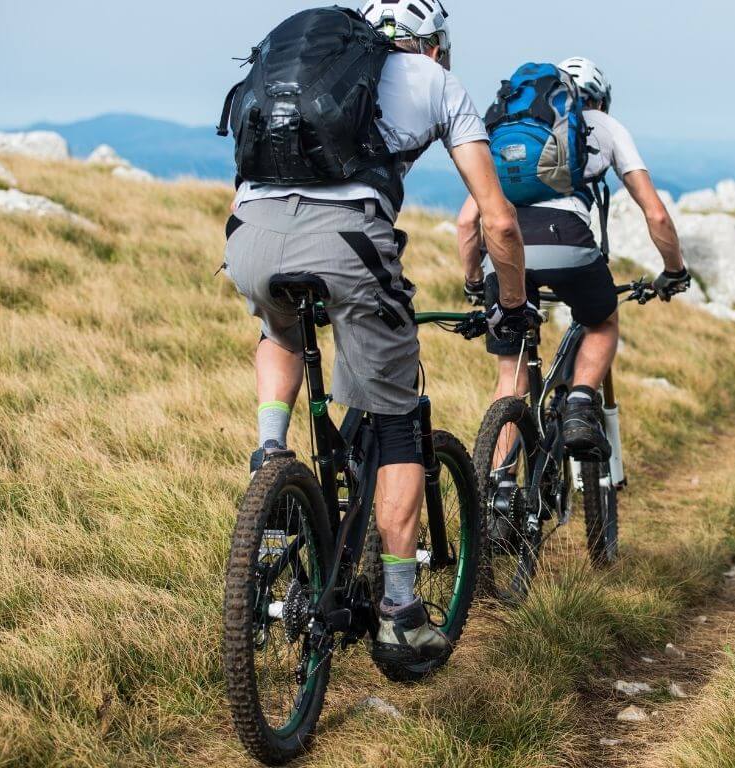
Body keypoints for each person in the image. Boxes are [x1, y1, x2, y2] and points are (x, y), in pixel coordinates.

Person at [222, 2, 536, 666]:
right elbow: (498, 221)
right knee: (397, 423)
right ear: (430, 44)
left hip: (250, 238)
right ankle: (398, 613)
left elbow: (247, 176)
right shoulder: (433, 81)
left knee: (281, 330)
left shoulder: (296, 73)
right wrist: (510, 304)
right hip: (347, 245)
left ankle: (270, 453)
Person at [457, 56, 691, 458]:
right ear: (599, 100)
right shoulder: (606, 126)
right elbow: (655, 212)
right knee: (602, 320)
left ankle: (496, 488)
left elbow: (466, 223)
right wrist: (674, 270)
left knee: (509, 380)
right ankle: (582, 402)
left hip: (504, 250)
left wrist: (475, 280)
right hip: (569, 242)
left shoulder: (512, 131)